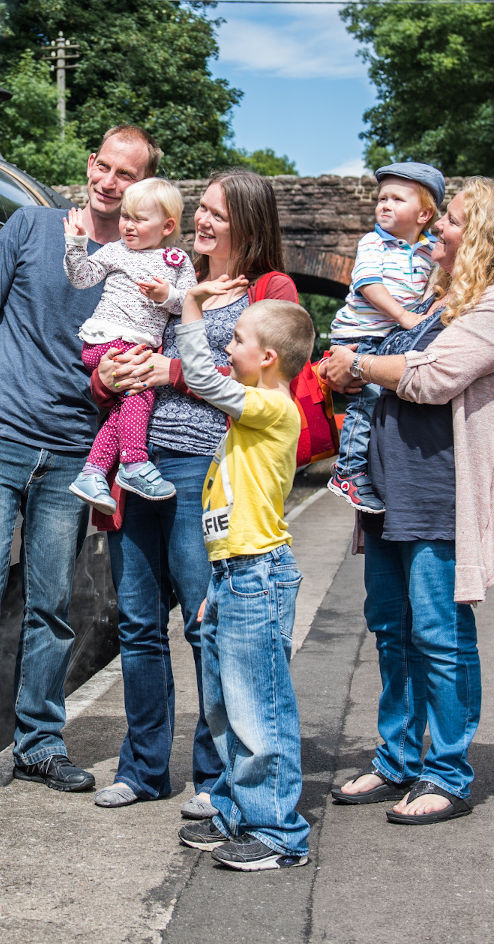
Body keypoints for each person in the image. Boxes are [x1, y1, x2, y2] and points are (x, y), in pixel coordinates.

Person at [0, 126, 160, 803]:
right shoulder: (28, 227)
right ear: (90, 165)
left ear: (141, 183)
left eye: (127, 174)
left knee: (53, 607)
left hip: (70, 453)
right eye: (105, 167)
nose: (111, 182)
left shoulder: (137, 265)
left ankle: (38, 744)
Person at [319, 179, 494, 823]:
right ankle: (396, 760)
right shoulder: (435, 300)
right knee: (391, 631)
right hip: (388, 493)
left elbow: (429, 378)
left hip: (441, 495)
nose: (437, 230)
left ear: (480, 236)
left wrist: (360, 365)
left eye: (449, 221)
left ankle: (447, 772)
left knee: (440, 636)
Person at [88, 171, 298, 815]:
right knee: (137, 622)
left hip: (206, 466)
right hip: (139, 457)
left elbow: (271, 381)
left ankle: (215, 776)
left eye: (217, 214)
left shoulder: (271, 288)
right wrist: (109, 375)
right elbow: (124, 352)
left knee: (206, 625)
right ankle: (145, 767)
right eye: (200, 210)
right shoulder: (169, 270)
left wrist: (169, 369)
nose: (203, 222)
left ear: (249, 224)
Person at [169, 283, 315, 871]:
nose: (227, 349)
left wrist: (191, 310)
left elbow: (203, 379)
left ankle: (278, 832)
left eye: (236, 340)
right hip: (232, 575)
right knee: (224, 707)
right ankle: (237, 810)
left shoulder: (274, 408)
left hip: (259, 573)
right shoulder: (255, 413)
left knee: (260, 706)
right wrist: (211, 590)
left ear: (268, 358)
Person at [63, 177, 197, 512]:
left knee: (124, 409)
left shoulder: (177, 260)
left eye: (139, 219)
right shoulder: (114, 251)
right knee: (141, 390)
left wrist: (167, 296)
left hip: (136, 345)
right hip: (106, 340)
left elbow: (192, 306)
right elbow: (80, 278)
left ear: (167, 226)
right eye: (125, 216)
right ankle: (134, 463)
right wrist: (76, 244)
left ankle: (93, 473)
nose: (128, 225)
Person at [325, 162, 443, 515]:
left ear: (424, 213)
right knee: (367, 399)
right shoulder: (374, 242)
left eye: (396, 199)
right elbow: (367, 284)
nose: (384, 205)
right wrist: (405, 317)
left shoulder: (430, 251)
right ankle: (347, 470)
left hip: (389, 337)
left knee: (384, 402)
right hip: (362, 333)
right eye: (381, 198)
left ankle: (371, 467)